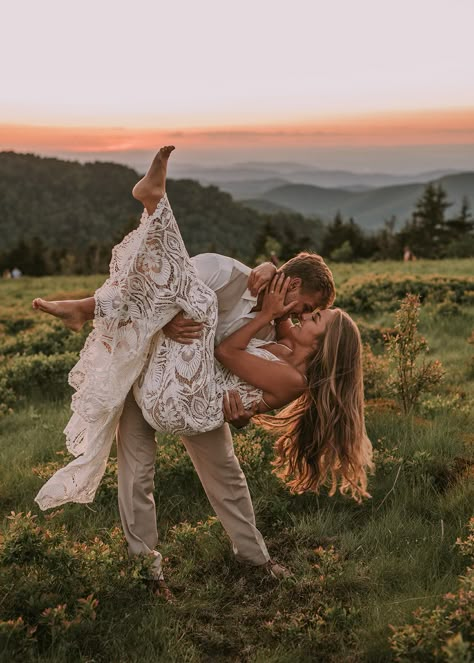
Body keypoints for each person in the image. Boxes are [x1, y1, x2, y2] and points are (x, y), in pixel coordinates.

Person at [33, 146, 372, 589]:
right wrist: (167, 318)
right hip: (148, 369)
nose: (298, 315)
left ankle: (254, 559)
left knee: (226, 474)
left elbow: (248, 371)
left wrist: (247, 412)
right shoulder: (222, 272)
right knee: (137, 470)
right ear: (286, 283)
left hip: (195, 396)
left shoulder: (279, 331)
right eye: (304, 306)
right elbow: (158, 284)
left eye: (309, 315)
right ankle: (145, 570)